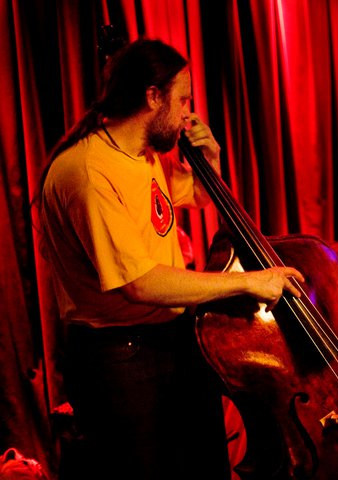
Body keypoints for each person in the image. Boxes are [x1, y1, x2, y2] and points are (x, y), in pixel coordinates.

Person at [39, 38, 304, 480]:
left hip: (169, 341)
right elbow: (139, 283)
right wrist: (248, 281)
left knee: (206, 466)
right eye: (183, 101)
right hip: (121, 360)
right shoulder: (89, 171)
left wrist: (211, 161)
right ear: (152, 96)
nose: (188, 114)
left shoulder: (142, 157)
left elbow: (197, 197)